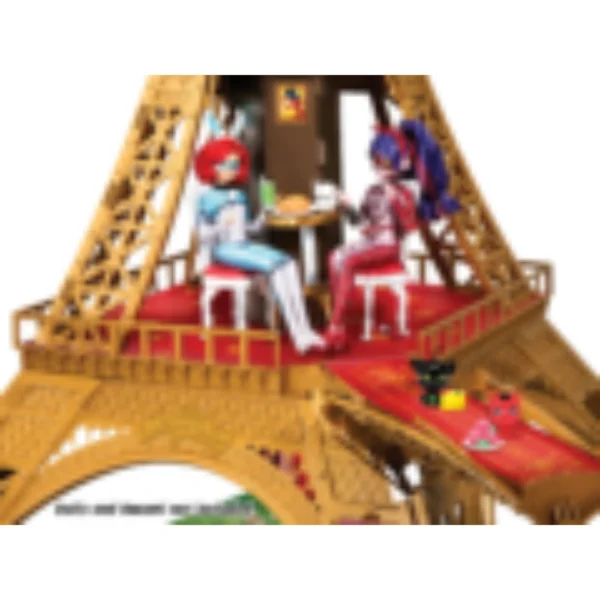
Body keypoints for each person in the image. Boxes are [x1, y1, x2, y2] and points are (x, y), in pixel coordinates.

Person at [324, 121, 460, 352]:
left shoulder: (405, 192)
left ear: (403, 164)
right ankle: (340, 316)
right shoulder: (371, 191)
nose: (380, 169)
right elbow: (360, 222)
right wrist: (347, 205)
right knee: (334, 256)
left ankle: (335, 326)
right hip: (370, 242)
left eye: (386, 163)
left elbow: (409, 228)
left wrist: (397, 201)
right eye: (376, 162)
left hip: (388, 246)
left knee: (347, 262)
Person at [194, 115, 324, 355]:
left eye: (234, 165)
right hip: (225, 250)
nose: (231, 170)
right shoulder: (205, 198)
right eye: (225, 165)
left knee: (289, 264)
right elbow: (202, 235)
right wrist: (219, 228)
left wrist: (264, 215)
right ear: (210, 166)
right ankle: (298, 336)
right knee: (276, 266)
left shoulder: (239, 195)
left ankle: (304, 329)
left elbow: (249, 229)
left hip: (242, 245)